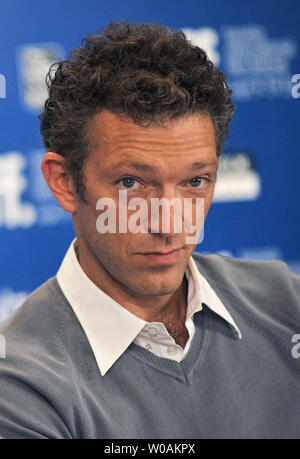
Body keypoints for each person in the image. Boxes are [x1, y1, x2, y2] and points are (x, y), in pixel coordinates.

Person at [0, 21, 299, 440]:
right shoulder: (16, 386)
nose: (170, 223)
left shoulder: (286, 304)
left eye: (195, 181)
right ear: (64, 181)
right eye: (131, 183)